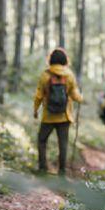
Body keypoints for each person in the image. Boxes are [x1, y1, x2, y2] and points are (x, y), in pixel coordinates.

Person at [33, 47, 83, 177]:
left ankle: (43, 168)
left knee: (42, 140)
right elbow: (75, 95)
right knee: (63, 144)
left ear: (51, 60)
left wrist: (35, 109)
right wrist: (81, 98)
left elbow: (39, 95)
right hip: (64, 116)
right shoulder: (69, 75)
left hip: (48, 116)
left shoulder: (45, 75)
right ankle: (62, 172)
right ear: (65, 60)